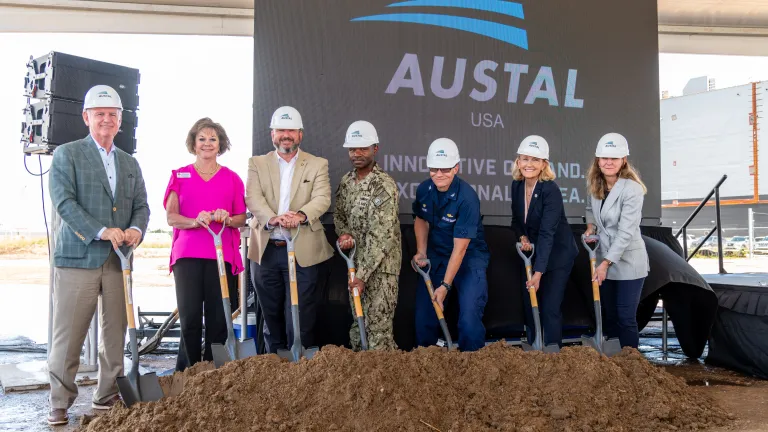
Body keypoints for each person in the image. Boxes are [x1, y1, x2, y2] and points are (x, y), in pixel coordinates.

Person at [47, 85, 149, 425]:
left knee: (115, 332)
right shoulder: (67, 154)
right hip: (78, 257)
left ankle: (107, 394)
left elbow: (141, 206)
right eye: (100, 113)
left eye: (113, 115)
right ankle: (60, 402)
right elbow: (65, 203)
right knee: (70, 334)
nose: (106, 120)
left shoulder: (129, 162)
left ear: (120, 121)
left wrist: (136, 229)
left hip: (119, 260)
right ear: (86, 117)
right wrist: (100, 230)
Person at [245, 106, 334, 353]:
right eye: (281, 130)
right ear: (272, 134)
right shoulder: (257, 163)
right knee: (270, 315)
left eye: (291, 130)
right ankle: (275, 370)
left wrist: (301, 215)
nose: (286, 135)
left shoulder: (317, 164)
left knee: (301, 314)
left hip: (302, 250)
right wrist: (273, 218)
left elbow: (322, 197)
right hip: (266, 251)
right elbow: (253, 197)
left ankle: (300, 370)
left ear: (300, 134)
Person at [163, 118, 246, 371]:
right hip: (188, 255)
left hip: (221, 256)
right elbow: (171, 217)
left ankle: (212, 374)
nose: (207, 143)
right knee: (189, 319)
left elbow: (241, 218)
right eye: (202, 139)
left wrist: (227, 218)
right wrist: (194, 221)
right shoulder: (180, 176)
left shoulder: (232, 179)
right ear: (194, 143)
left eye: (213, 139)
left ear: (220, 144)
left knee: (218, 319)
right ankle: (186, 373)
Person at [412, 138, 490, 352]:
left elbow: (461, 248)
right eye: (434, 169)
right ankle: (428, 364)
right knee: (424, 318)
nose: (439, 174)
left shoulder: (467, 198)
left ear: (456, 168)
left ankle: (472, 365)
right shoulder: (424, 190)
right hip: (436, 255)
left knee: (469, 318)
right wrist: (421, 251)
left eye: (445, 169)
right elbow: (420, 219)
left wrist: (445, 286)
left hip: (468, 258)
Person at [334, 121, 401, 351]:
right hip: (355, 265)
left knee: (378, 331)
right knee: (358, 325)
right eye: (353, 149)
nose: (357, 153)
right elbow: (340, 214)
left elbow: (382, 235)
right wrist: (343, 233)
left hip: (380, 270)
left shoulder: (383, 185)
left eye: (363, 148)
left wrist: (361, 276)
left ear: (375, 148)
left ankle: (385, 383)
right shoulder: (346, 182)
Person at [510, 135, 578, 348]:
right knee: (530, 304)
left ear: (544, 165)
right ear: (518, 162)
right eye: (525, 159)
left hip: (557, 255)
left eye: (535, 160)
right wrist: (522, 237)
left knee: (549, 307)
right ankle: (534, 352)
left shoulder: (551, 190)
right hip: (534, 253)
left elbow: (548, 233)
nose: (529, 164)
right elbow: (516, 220)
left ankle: (552, 354)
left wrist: (538, 273)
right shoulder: (517, 186)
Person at [584, 132, 649, 349]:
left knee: (625, 317)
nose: (608, 162)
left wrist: (604, 264)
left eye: (614, 158)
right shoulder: (596, 184)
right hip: (605, 259)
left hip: (628, 261)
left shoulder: (632, 189)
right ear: (598, 160)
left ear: (624, 161)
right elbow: (590, 209)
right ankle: (612, 370)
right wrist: (590, 227)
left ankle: (632, 367)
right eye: (604, 158)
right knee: (609, 315)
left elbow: (625, 233)